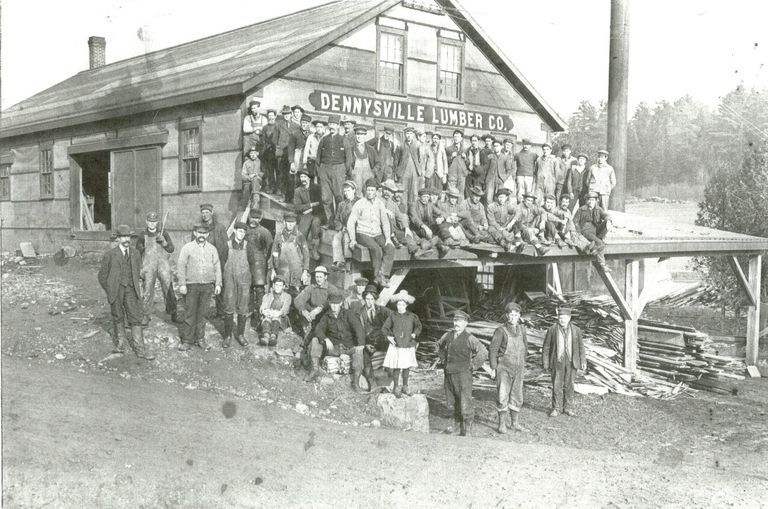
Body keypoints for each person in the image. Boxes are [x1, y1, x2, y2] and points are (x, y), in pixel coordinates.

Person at [98, 224, 155, 360]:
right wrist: (110, 288)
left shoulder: (135, 253)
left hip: (131, 289)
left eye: (128, 236)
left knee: (135, 318)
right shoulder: (110, 255)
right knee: (118, 316)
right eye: (123, 236)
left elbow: (137, 271)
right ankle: (121, 345)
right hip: (116, 290)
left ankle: (140, 350)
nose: (126, 239)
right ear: (118, 238)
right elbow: (102, 276)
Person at [436, 310, 486, 436]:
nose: (456, 323)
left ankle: (467, 432)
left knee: (465, 402)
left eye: (460, 321)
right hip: (449, 374)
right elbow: (438, 346)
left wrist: (473, 366)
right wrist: (443, 359)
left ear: (466, 324)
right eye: (455, 320)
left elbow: (483, 351)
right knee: (453, 402)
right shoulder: (447, 335)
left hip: (463, 376)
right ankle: (458, 429)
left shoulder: (469, 338)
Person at [305, 292, 365, 391]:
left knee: (358, 350)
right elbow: (318, 330)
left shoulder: (348, 314)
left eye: (336, 303)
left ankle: (356, 381)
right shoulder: (326, 316)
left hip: (348, 348)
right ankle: (314, 369)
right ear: (329, 303)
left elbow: (358, 328)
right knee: (315, 340)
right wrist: (325, 339)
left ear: (341, 303)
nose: (334, 306)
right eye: (332, 303)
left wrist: (360, 344)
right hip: (333, 348)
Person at [177, 224, 222, 351]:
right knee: (190, 313)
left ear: (207, 235)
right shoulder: (187, 248)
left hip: (207, 285)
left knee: (203, 313)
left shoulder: (212, 249)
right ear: (195, 233)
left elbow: (217, 266)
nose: (202, 235)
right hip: (192, 285)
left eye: (204, 233)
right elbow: (181, 266)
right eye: (199, 233)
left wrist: (218, 283)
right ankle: (187, 340)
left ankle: (200, 338)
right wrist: (182, 284)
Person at [347, 179, 396, 287]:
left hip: (377, 234)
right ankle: (377, 276)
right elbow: (351, 222)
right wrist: (352, 239)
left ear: (376, 192)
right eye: (368, 190)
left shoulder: (380, 204)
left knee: (390, 248)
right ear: (365, 191)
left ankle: (384, 275)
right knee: (376, 249)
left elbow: (385, 222)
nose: (369, 192)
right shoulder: (359, 204)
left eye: (372, 190)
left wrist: (387, 238)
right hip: (363, 233)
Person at [489, 302, 528, 433]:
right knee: (502, 395)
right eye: (511, 315)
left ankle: (514, 423)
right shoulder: (501, 331)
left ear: (519, 316)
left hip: (519, 368)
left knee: (517, 396)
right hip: (504, 369)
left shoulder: (522, 330)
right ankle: (501, 424)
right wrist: (494, 368)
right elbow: (493, 350)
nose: (513, 317)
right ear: (507, 316)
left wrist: (523, 364)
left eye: (516, 315)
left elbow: (525, 348)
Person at [542, 307, 586, 417]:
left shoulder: (576, 330)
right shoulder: (552, 329)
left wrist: (583, 360)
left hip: (572, 362)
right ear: (558, 318)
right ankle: (556, 408)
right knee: (557, 385)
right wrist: (546, 363)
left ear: (569, 318)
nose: (562, 320)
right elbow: (546, 347)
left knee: (569, 385)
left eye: (565, 318)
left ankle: (568, 408)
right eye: (560, 318)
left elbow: (581, 346)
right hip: (557, 362)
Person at [136, 211, 177, 326]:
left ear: (157, 222)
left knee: (168, 288)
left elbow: (171, 249)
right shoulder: (142, 235)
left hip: (163, 265)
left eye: (154, 222)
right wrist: (139, 268)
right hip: (148, 266)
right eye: (150, 221)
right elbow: (137, 253)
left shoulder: (163, 233)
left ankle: (173, 312)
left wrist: (164, 242)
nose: (152, 224)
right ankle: (146, 314)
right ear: (146, 221)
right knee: (147, 290)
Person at [382, 290, 422, 398]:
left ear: (406, 305)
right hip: (397, 345)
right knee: (397, 366)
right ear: (396, 305)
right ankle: (396, 387)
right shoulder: (393, 316)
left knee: (406, 366)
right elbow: (385, 328)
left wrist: (414, 334)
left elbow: (419, 326)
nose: (400, 307)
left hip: (408, 345)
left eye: (403, 304)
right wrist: (389, 337)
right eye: (399, 304)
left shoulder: (412, 316)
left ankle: (405, 386)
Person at [380, 179, 432, 259]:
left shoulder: (392, 204)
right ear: (382, 189)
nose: (387, 192)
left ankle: (420, 247)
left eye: (390, 191)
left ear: (392, 192)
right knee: (403, 236)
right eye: (386, 189)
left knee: (408, 233)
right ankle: (418, 249)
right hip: (382, 231)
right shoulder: (377, 200)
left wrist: (406, 228)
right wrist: (384, 211)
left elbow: (400, 216)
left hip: (393, 229)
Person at [221, 222, 251, 348]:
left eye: (244, 232)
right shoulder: (227, 245)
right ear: (234, 231)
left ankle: (240, 334)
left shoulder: (248, 246)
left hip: (244, 281)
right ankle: (227, 336)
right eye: (239, 231)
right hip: (229, 281)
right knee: (229, 307)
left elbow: (253, 263)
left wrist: (250, 281)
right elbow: (222, 263)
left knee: (243, 308)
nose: (241, 234)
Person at [197, 203, 228, 317]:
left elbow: (226, 245)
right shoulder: (199, 228)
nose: (205, 215)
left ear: (212, 213)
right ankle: (202, 312)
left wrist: (224, 261)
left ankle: (221, 311)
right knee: (204, 287)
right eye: (203, 213)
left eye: (207, 212)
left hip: (219, 261)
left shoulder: (220, 227)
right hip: (205, 261)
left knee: (220, 286)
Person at [358, 284, 390, 392]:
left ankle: (389, 383)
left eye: (372, 299)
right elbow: (358, 332)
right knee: (365, 355)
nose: (369, 302)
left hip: (382, 340)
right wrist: (365, 344)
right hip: (368, 341)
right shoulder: (360, 313)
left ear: (375, 299)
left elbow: (394, 319)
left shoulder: (382, 310)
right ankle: (372, 383)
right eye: (367, 299)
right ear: (364, 299)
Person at [316, 114, 347, 224]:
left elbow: (349, 158)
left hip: (339, 169)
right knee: (325, 198)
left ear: (338, 126)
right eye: (330, 124)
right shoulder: (324, 140)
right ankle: (330, 220)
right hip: (325, 169)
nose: (332, 126)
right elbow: (318, 158)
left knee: (339, 197)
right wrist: (320, 172)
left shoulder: (343, 139)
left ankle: (339, 221)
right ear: (328, 125)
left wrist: (344, 172)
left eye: (334, 124)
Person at [245, 208, 272, 331]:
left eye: (256, 218)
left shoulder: (265, 232)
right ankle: (250, 312)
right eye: (252, 217)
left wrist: (268, 264)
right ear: (249, 217)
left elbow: (271, 249)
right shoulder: (244, 231)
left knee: (259, 290)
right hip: (246, 264)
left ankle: (261, 314)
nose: (254, 220)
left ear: (260, 219)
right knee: (248, 289)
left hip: (260, 265)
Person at [271, 213, 310, 296]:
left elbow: (306, 255)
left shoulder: (300, 236)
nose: (290, 224)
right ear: (284, 222)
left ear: (295, 223)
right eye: (288, 222)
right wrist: (272, 270)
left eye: (292, 222)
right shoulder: (279, 235)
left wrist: (305, 271)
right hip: (282, 271)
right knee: (282, 295)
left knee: (296, 294)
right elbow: (273, 253)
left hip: (296, 272)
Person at [294, 265, 339, 335]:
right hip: (311, 313)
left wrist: (320, 308)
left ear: (325, 277)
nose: (318, 279)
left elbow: (334, 301)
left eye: (321, 277)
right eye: (317, 277)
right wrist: (303, 311)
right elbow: (298, 300)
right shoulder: (311, 287)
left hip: (325, 313)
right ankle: (308, 331)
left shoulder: (332, 288)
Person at [573, 191, 612, 270]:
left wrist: (608, 220)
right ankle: (602, 264)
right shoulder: (581, 209)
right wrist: (578, 232)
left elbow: (606, 215)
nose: (591, 202)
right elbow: (575, 221)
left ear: (596, 201)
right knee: (600, 244)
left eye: (593, 200)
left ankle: (594, 245)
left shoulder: (598, 209)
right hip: (586, 230)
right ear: (586, 201)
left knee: (607, 223)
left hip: (595, 229)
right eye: (589, 200)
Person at [408, 188, 450, 257]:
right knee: (427, 232)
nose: (426, 199)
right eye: (424, 197)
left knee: (441, 225)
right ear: (419, 197)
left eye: (427, 197)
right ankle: (440, 245)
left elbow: (442, 213)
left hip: (428, 228)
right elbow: (415, 219)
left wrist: (441, 218)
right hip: (417, 228)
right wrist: (424, 227)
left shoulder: (430, 205)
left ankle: (444, 242)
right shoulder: (413, 205)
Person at [293, 169, 322, 260]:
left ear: (309, 178)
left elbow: (320, 203)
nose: (303, 179)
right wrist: (311, 205)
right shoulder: (298, 191)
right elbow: (297, 207)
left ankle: (314, 250)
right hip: (305, 215)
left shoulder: (317, 188)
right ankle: (300, 253)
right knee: (302, 232)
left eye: (305, 177)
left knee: (315, 224)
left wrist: (309, 208)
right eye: (301, 177)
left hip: (317, 213)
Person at [346, 124, 381, 196]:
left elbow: (378, 163)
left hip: (368, 178)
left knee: (368, 197)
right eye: (358, 134)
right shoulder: (351, 149)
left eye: (361, 134)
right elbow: (347, 164)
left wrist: (373, 172)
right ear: (355, 135)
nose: (359, 136)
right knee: (356, 197)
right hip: (355, 178)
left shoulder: (371, 149)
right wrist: (351, 172)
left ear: (365, 135)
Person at [330, 180, 358, 267]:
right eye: (345, 191)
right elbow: (337, 219)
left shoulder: (360, 202)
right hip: (345, 228)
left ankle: (348, 259)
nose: (346, 193)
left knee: (346, 237)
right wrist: (341, 227)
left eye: (348, 190)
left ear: (354, 190)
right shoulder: (342, 204)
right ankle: (339, 261)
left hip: (357, 229)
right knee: (336, 237)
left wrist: (352, 227)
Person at [259, 276, 292, 347]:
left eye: (280, 285)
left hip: (280, 317)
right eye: (276, 285)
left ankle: (273, 337)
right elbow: (263, 306)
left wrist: (278, 313)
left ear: (283, 287)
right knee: (266, 320)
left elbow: (285, 309)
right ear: (273, 285)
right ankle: (266, 336)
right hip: (269, 315)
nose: (278, 287)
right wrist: (264, 311)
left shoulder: (287, 296)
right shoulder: (267, 296)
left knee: (276, 319)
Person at [394, 127, 422, 204]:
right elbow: (396, 160)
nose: (408, 135)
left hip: (414, 171)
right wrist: (396, 172)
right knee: (403, 191)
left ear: (413, 135)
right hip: (403, 171)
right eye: (407, 133)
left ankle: (412, 212)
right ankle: (403, 211)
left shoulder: (417, 145)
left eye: (410, 133)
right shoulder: (400, 145)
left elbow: (420, 159)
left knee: (413, 191)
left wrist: (419, 170)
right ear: (405, 134)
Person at [485, 139, 513, 205]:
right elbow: (485, 169)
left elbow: (509, 170)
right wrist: (486, 180)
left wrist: (504, 178)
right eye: (494, 146)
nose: (495, 147)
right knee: (488, 198)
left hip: (500, 180)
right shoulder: (490, 156)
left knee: (499, 198)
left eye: (497, 146)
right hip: (490, 180)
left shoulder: (505, 157)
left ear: (501, 147)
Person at [445, 130, 469, 195]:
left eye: (458, 137)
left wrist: (465, 158)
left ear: (461, 138)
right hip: (452, 175)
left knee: (461, 194)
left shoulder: (465, 150)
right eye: (455, 136)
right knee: (450, 193)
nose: (456, 138)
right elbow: (444, 162)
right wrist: (451, 157)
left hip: (462, 176)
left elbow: (468, 164)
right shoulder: (448, 149)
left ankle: (460, 205)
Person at [261, 109, 279, 194]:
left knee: (279, 170)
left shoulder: (279, 126)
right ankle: (272, 187)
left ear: (275, 116)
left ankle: (279, 188)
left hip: (278, 151)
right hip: (269, 152)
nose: (271, 117)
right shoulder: (265, 127)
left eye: (272, 115)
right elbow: (263, 140)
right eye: (269, 115)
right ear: (267, 117)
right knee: (270, 170)